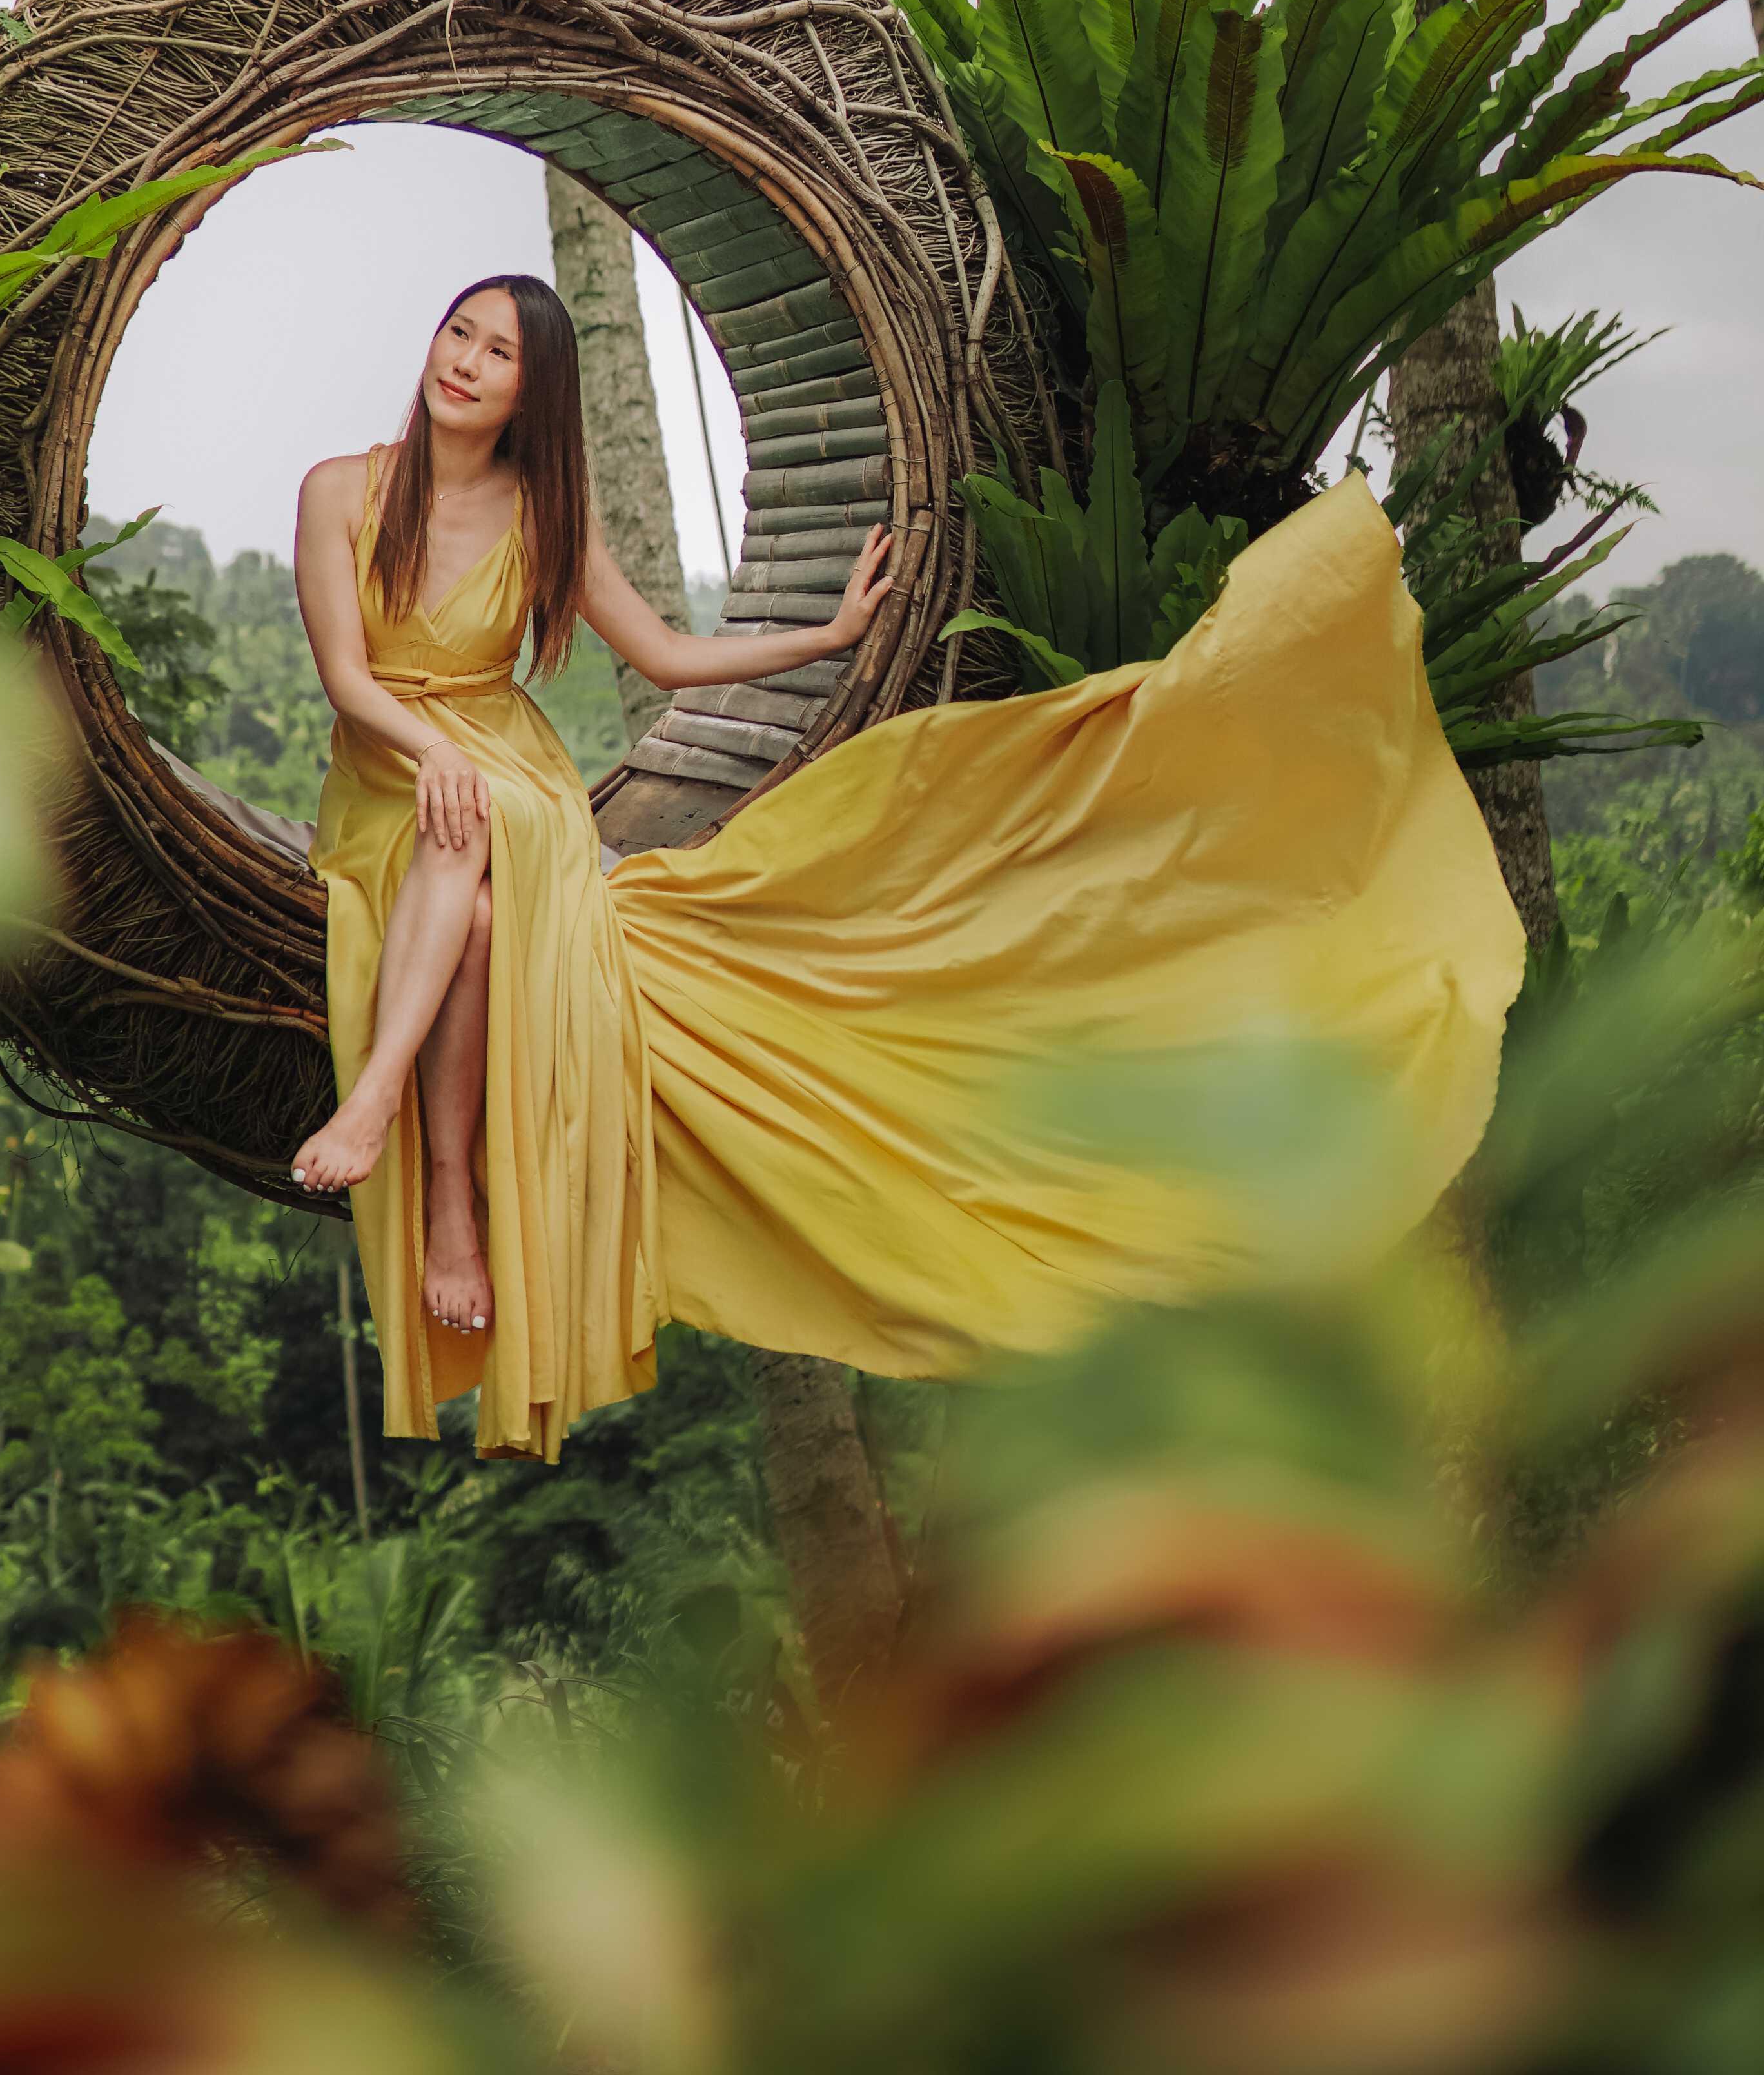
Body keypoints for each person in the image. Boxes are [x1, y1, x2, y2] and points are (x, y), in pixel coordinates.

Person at [291, 271, 1527, 1467]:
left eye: (500, 352)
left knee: (486, 893)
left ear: (537, 392)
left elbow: (664, 656)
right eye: (460, 333)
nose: (466, 363)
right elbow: (348, 678)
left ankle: (415, 1153)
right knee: (466, 831)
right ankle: (397, 1120)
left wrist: (830, 634)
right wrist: (434, 749)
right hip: (391, 769)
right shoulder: (342, 490)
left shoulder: (542, 515)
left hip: (507, 776)